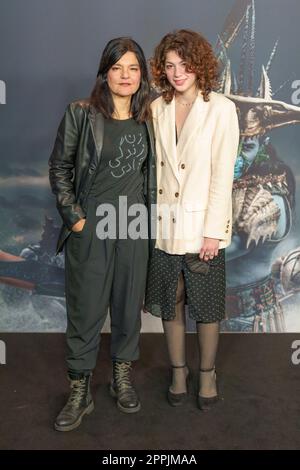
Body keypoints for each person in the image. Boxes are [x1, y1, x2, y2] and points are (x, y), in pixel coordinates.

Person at [48, 37, 156, 431]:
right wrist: (76, 219)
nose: (125, 76)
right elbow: (59, 169)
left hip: (135, 227)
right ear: (104, 72)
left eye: (132, 68)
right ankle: (80, 390)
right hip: (92, 226)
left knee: (129, 308)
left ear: (141, 74)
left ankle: (121, 377)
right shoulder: (81, 113)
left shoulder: (151, 117)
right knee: (85, 310)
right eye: (116, 68)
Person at [145, 29, 239, 410]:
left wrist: (214, 233)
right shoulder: (156, 108)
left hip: (204, 227)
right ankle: (179, 371)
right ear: (161, 69)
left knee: (207, 303)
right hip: (165, 225)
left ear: (199, 66)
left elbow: (222, 176)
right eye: (169, 65)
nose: (177, 72)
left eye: (184, 64)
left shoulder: (221, 108)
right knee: (173, 299)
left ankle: (207, 374)